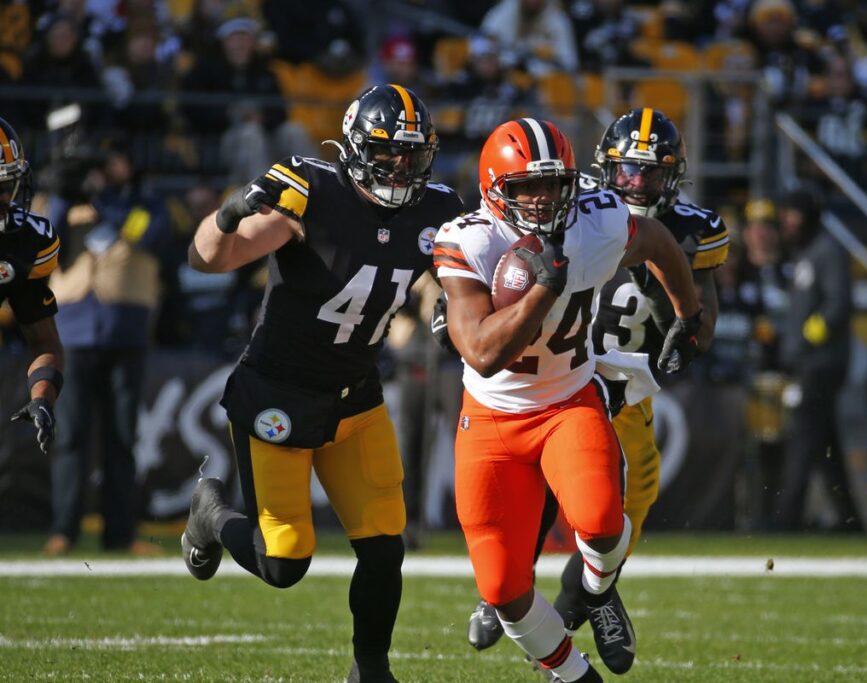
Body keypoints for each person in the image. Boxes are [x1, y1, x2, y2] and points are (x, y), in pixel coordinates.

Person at [182, 85, 463, 683]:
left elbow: (456, 278)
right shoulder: (312, 191)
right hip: (278, 392)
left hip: (355, 395)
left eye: (412, 156)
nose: (400, 169)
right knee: (283, 562)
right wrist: (228, 214)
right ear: (357, 149)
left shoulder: (438, 209)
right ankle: (210, 513)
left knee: (385, 544)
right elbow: (209, 259)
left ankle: (371, 670)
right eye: (387, 154)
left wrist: (450, 307)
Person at [436, 117, 703, 682]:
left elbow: (657, 240)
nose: (540, 199)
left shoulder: (597, 219)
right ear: (493, 189)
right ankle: (575, 675)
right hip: (491, 419)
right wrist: (543, 289)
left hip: (567, 401)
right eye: (525, 186)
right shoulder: (470, 239)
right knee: (502, 588)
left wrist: (688, 312)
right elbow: (483, 354)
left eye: (552, 185)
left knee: (602, 522)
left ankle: (593, 591)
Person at [44, 144, 171, 556]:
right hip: (74, 332)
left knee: (121, 437)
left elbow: (145, 234)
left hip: (125, 333)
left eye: (113, 161)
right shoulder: (68, 203)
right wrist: (65, 191)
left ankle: (119, 534)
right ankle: (63, 531)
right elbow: (45, 238)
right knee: (71, 436)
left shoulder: (145, 204)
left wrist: (100, 205)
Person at [773, 186, 863, 532]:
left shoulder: (827, 251)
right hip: (812, 363)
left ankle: (786, 517)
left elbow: (839, 304)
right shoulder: (807, 252)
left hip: (821, 363)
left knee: (803, 439)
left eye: (792, 214)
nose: (787, 221)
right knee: (826, 445)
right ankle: (850, 518)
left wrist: (806, 339)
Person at [0, 117, 63, 456]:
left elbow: (45, 342)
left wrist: (42, 396)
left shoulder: (24, 242)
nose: (5, 197)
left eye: (7, 184)